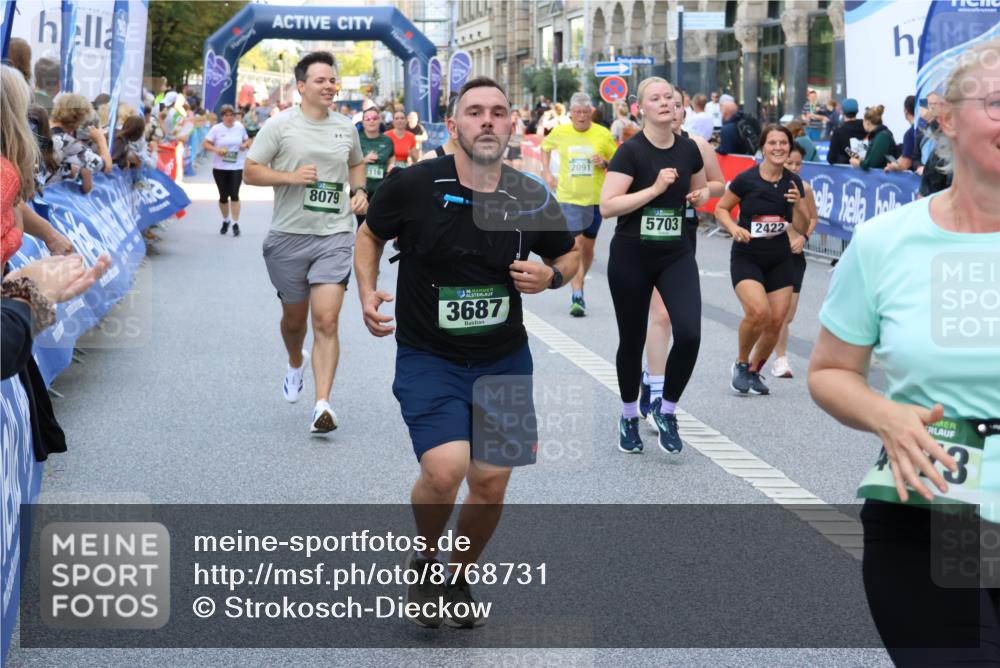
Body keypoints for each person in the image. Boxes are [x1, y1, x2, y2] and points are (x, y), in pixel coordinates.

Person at [356, 76, 579, 629]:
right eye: (474, 111)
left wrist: (553, 277)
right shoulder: (413, 184)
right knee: (446, 468)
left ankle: (457, 573)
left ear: (512, 126)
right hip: (429, 354)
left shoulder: (528, 194)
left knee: (492, 479)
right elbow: (369, 235)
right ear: (453, 125)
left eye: (498, 112)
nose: (487, 120)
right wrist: (365, 290)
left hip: (503, 357)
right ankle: (427, 559)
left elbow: (571, 257)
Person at [808, 39, 1000, 665]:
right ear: (944, 117)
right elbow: (832, 372)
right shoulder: (885, 242)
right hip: (933, 510)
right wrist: (885, 414)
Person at [243, 51, 369, 433]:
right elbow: (250, 172)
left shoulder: (346, 126)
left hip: (334, 234)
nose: (330, 86)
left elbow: (356, 163)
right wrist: (290, 177)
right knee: (294, 320)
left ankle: (322, 404)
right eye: (321, 80)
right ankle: (295, 361)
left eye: (333, 80)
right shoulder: (280, 126)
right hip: (288, 236)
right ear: (301, 86)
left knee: (326, 320)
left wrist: (359, 190)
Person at [600, 77, 709, 454]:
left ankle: (667, 410)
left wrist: (702, 194)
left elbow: (705, 188)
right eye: (656, 98)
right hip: (631, 254)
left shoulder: (689, 150)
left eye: (670, 98)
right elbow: (608, 206)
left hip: (675, 252)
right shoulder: (631, 152)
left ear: (679, 108)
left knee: (691, 334)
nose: (664, 103)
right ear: (641, 108)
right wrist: (654, 191)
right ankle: (629, 414)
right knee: (632, 341)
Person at [639, 87, 726, 421]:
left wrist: (704, 191)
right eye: (665, 104)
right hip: (647, 235)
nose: (671, 110)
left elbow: (719, 184)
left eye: (677, 105)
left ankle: (651, 377)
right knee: (660, 314)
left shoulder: (696, 145)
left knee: (676, 317)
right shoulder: (643, 146)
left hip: (682, 233)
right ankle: (656, 387)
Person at [714, 124, 808, 396]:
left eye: (783, 143)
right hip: (747, 256)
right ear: (763, 147)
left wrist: (798, 204)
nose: (778, 148)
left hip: (779, 258)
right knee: (758, 312)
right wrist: (734, 228)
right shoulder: (746, 179)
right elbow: (721, 208)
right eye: (772, 143)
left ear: (789, 148)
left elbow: (800, 227)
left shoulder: (793, 182)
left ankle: (755, 370)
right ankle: (741, 364)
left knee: (777, 321)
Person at [541, 92, 617, 317]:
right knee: (578, 244)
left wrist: (604, 162)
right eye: (577, 113)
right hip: (569, 198)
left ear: (591, 113)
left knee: (589, 248)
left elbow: (619, 159)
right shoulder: (561, 132)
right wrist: (547, 173)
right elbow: (545, 148)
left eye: (585, 113)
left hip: (595, 198)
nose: (581, 117)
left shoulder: (602, 133)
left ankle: (579, 282)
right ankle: (577, 293)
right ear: (571, 113)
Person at [769, 142, 817, 379]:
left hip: (795, 255)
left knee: (787, 315)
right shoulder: (766, 185)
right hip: (771, 253)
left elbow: (812, 219)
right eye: (790, 163)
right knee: (776, 313)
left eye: (798, 164)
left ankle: (770, 346)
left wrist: (804, 238)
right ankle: (780, 359)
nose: (794, 168)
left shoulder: (805, 188)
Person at [49, 93, 112, 194]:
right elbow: (106, 166)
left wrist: (68, 171)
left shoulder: (40, 128)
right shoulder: (70, 144)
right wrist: (101, 140)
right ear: (80, 119)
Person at [203, 104, 251, 236]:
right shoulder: (216, 129)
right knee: (223, 196)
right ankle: (226, 220)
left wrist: (244, 145)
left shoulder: (239, 127)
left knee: (235, 194)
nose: (229, 118)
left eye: (232, 115)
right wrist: (216, 150)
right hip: (220, 167)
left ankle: (235, 223)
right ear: (222, 117)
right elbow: (205, 143)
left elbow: (248, 141)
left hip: (237, 166)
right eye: (226, 115)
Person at [356, 106, 395, 227]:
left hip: (380, 189)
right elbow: (347, 162)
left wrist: (391, 166)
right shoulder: (356, 139)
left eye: (374, 118)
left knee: (376, 225)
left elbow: (391, 156)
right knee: (362, 224)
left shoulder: (387, 140)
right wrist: (364, 160)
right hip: (361, 189)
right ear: (363, 122)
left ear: (379, 120)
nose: (371, 120)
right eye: (367, 118)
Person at [849, 105, 895, 170]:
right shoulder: (879, 136)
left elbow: (872, 164)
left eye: (863, 121)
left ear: (867, 122)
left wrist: (858, 163)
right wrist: (863, 160)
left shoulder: (882, 137)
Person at [885, 95, 921, 174]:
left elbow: (905, 164)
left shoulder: (910, 134)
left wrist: (892, 166)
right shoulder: (925, 129)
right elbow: (906, 155)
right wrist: (896, 162)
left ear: (906, 111)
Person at [827, 97, 866, 165]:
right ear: (857, 111)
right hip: (867, 170)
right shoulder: (866, 127)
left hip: (847, 172)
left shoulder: (838, 132)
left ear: (842, 111)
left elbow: (831, 158)